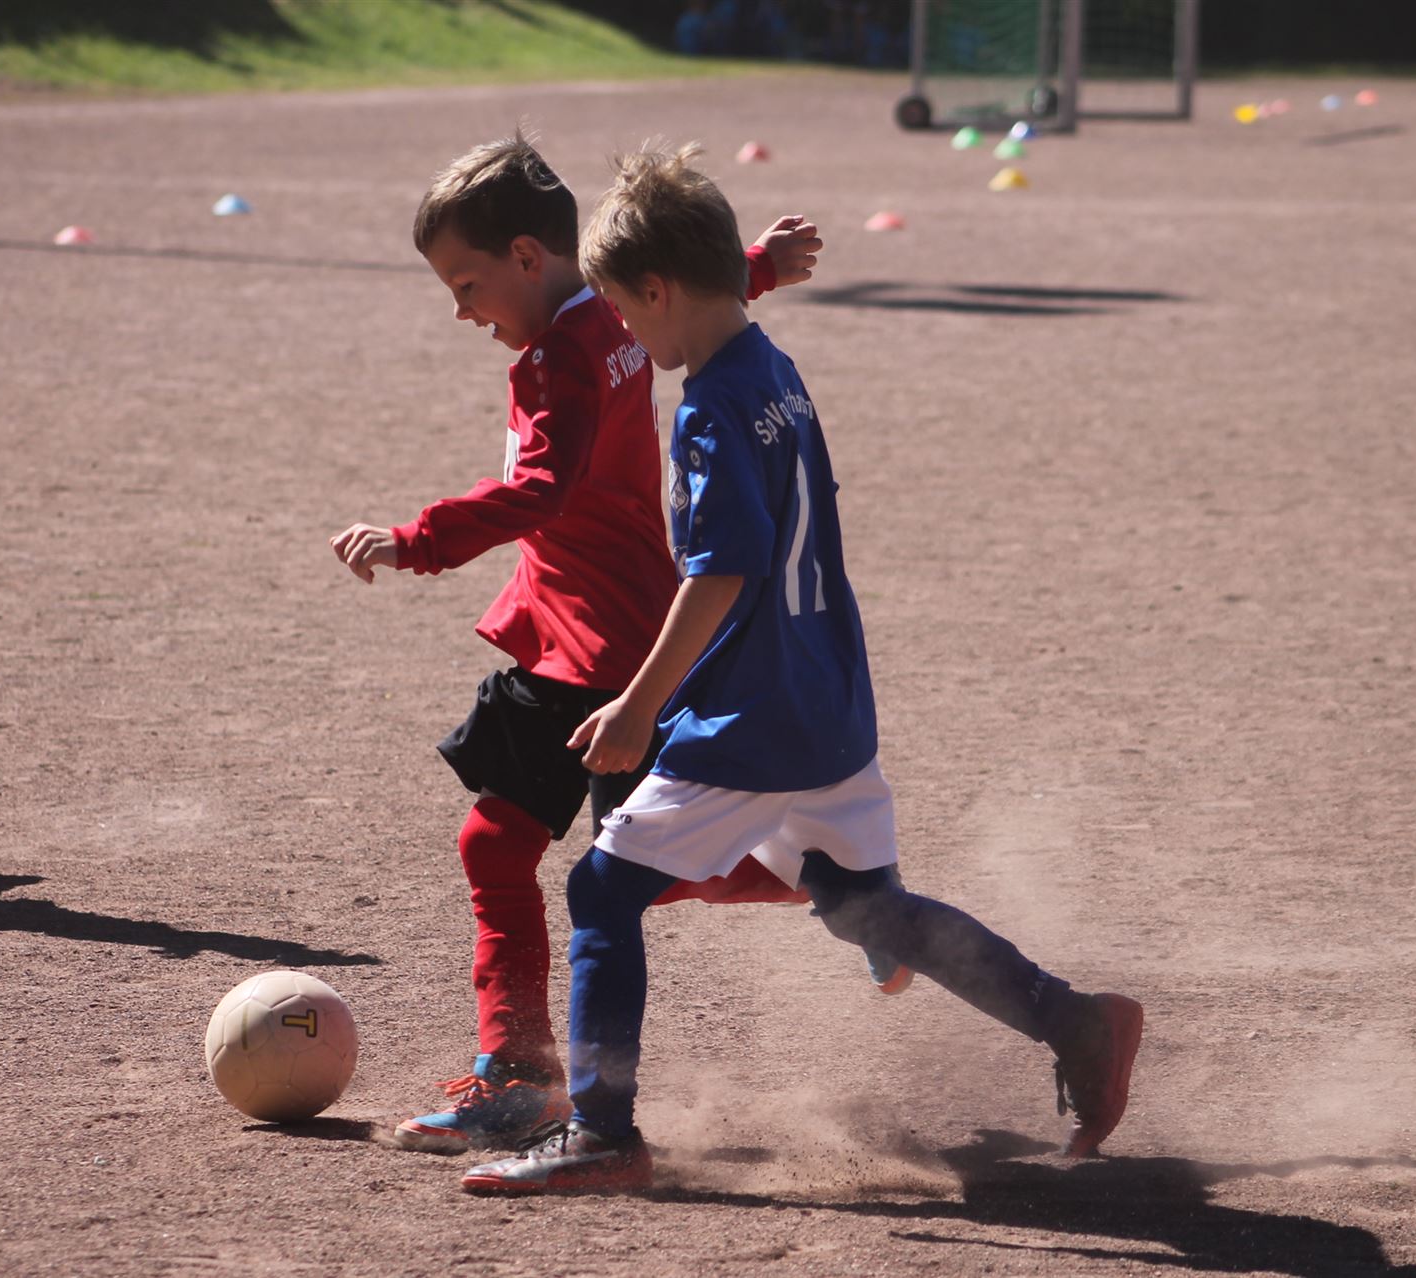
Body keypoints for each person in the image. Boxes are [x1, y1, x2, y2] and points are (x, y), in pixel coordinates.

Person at [460, 144, 1144, 1195]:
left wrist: (639, 706)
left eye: (628, 314)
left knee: (601, 890)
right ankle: (1077, 1024)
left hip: (752, 720)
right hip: (829, 702)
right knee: (870, 911)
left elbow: (722, 573)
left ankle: (600, 1132)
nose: (628, 337)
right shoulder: (772, 370)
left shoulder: (708, 411)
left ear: (658, 291)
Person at [330, 132, 902, 1155]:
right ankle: (845, 899)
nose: (463, 312)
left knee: (605, 863)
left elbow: (540, 489)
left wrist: (417, 539)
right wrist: (758, 266)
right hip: (585, 629)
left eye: (466, 285)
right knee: (566, 854)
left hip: (595, 649)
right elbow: (685, 289)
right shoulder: (606, 308)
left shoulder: (562, 355)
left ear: (525, 257)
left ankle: (527, 1077)